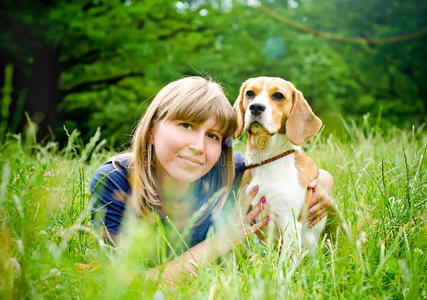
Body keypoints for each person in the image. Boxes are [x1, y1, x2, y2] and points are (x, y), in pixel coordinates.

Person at [90, 76, 335, 282]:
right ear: (152, 129)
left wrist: (322, 180)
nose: (198, 147)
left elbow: (283, 174)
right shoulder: (115, 181)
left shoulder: (231, 171)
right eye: (186, 126)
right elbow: (122, 282)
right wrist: (221, 242)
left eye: (214, 136)